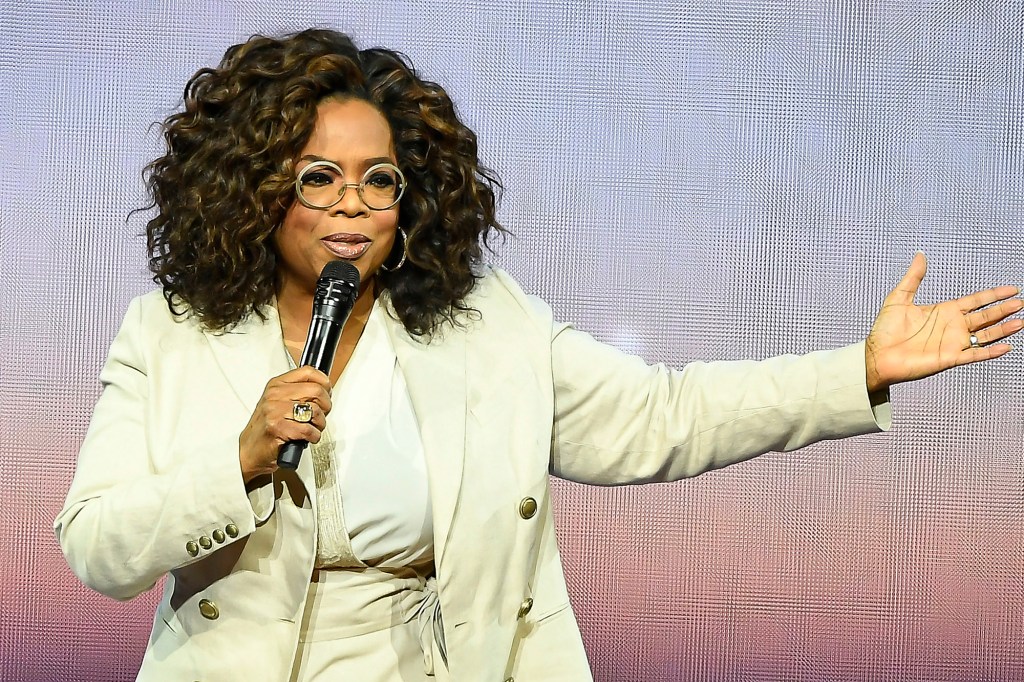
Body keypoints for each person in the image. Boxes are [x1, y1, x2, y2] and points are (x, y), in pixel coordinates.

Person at [53, 28, 1022, 682]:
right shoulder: (170, 332)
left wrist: (857, 368)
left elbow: (662, 416)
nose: (352, 204)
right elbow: (96, 544)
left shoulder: (488, 328)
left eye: (378, 179)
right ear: (257, 188)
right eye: (320, 177)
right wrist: (238, 461)